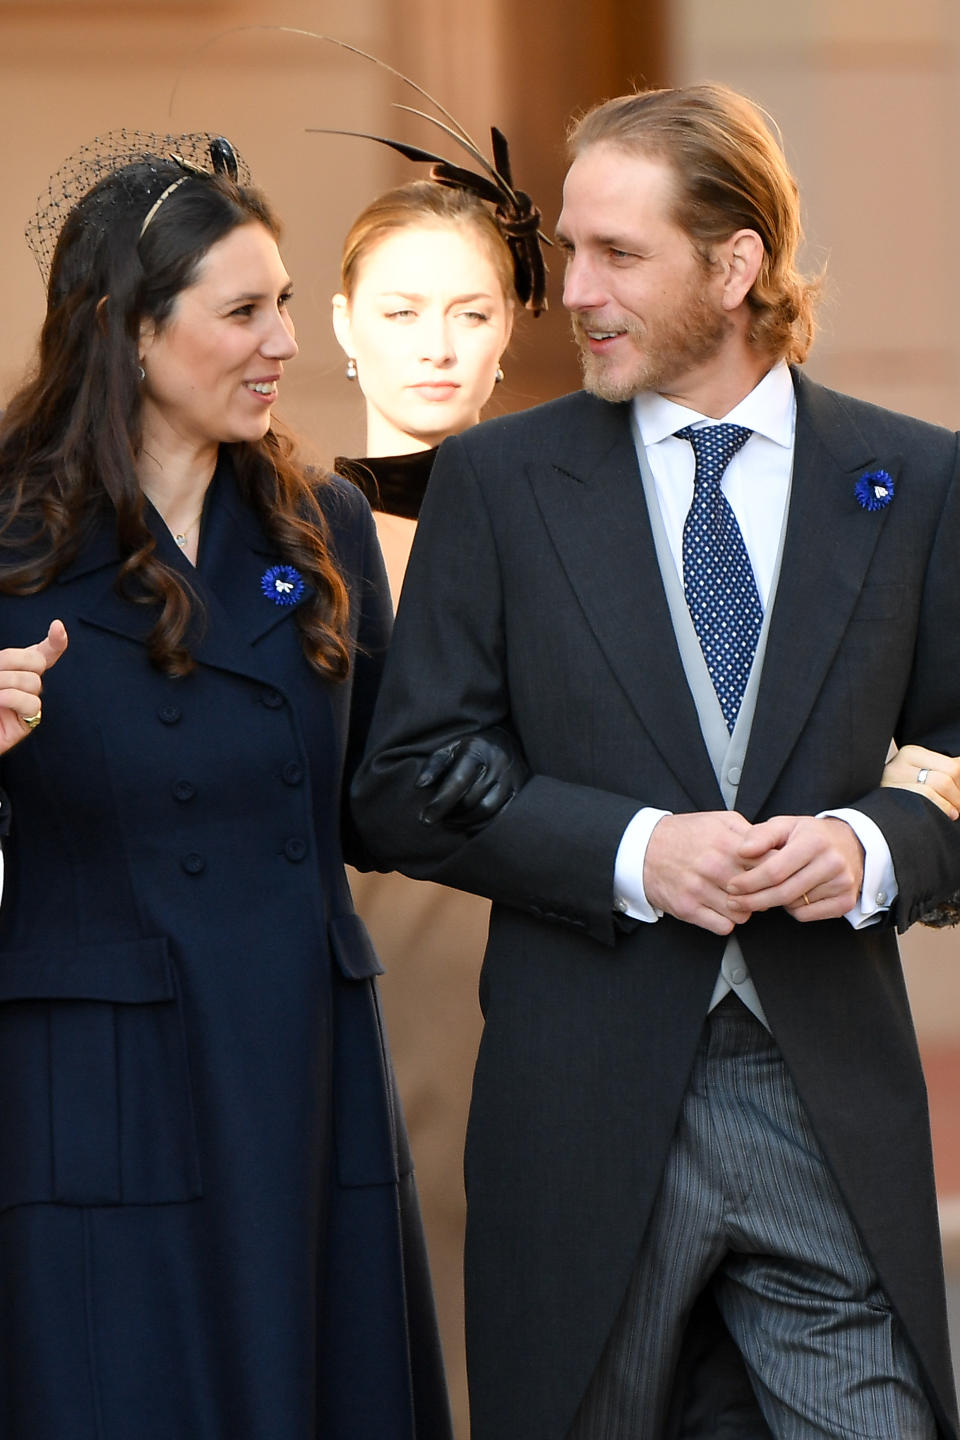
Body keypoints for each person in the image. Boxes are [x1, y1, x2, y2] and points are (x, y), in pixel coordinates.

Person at [351, 83, 960, 1440]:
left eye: (619, 254)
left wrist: (872, 844)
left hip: (824, 1097)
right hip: (582, 1104)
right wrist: (633, 852)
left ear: (736, 265)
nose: (575, 290)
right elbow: (410, 777)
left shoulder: (916, 482)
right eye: (572, 249)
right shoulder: (500, 487)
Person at [0, 131, 459, 1440]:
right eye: (244, 310)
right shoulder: (8, 541)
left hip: (299, 1071)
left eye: (284, 305)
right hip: (96, 1090)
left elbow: (393, 800)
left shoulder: (323, 525)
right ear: (127, 333)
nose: (284, 342)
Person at [328, 172, 532, 1433]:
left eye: (470, 311)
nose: (437, 346)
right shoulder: (269, 526)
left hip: (536, 948)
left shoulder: (582, 516)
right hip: (342, 953)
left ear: (514, 328)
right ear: (339, 321)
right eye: (401, 312)